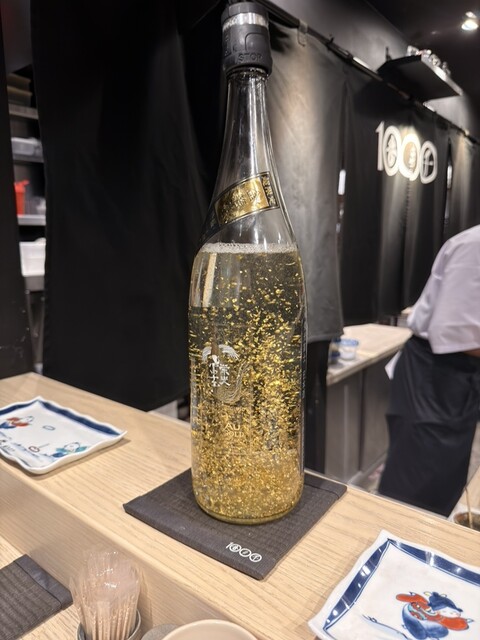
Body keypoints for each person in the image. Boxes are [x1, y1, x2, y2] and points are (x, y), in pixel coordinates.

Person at [378, 224, 480, 516]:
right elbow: (452, 332)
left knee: (445, 479)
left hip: (457, 375)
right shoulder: (474, 246)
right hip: (436, 375)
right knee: (414, 489)